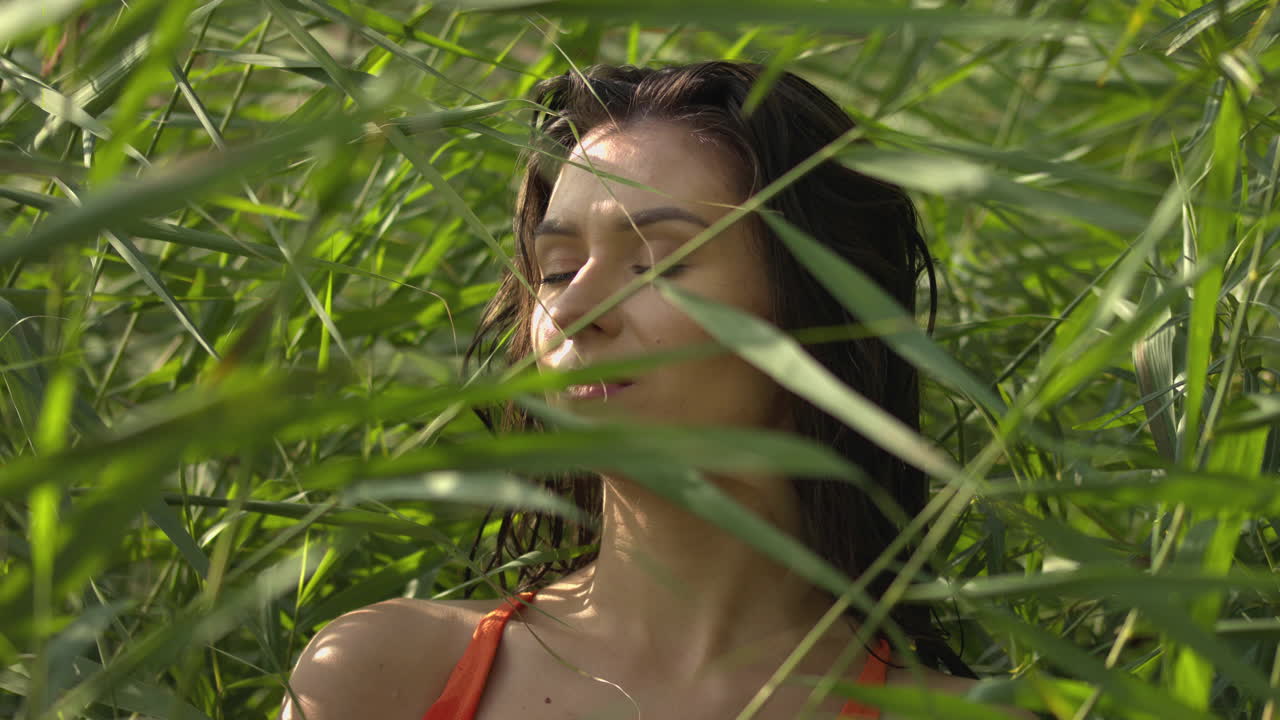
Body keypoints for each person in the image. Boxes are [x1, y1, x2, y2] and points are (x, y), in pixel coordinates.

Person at [282, 61, 983, 720]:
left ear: (818, 311)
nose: (571, 310)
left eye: (654, 262)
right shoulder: (377, 676)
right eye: (555, 269)